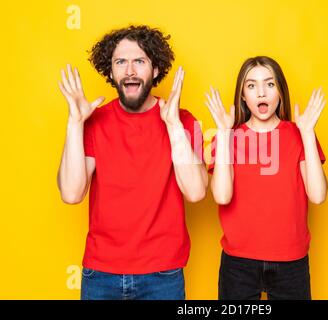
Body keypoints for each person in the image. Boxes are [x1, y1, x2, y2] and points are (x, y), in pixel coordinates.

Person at [57, 25, 207, 300]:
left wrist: (173, 125)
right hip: (101, 275)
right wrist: (75, 123)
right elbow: (71, 193)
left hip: (163, 275)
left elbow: (196, 192)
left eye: (139, 61)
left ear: (156, 69)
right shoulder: (93, 122)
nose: (129, 71)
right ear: (111, 72)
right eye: (120, 62)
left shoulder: (183, 120)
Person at [205, 56, 327, 300]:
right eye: (251, 86)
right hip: (238, 264)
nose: (261, 93)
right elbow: (221, 195)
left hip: (291, 263)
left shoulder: (297, 135)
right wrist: (224, 132)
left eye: (269, 84)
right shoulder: (229, 137)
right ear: (242, 96)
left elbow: (318, 195)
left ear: (280, 91)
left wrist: (307, 133)